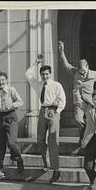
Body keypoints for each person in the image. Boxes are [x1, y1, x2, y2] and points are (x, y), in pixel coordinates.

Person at [58, 41, 96, 147]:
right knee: (78, 120)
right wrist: (61, 52)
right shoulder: (75, 72)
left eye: (84, 72)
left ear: (87, 67)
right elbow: (66, 65)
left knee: (92, 120)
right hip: (79, 101)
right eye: (80, 72)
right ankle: (83, 136)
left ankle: (90, 138)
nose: (82, 74)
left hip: (90, 101)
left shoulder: (93, 74)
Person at [25, 55, 66, 183]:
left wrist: (57, 112)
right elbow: (28, 75)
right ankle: (46, 163)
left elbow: (63, 99)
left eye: (47, 74)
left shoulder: (56, 85)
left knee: (53, 139)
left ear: (50, 74)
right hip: (43, 111)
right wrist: (35, 63)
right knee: (40, 139)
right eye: (43, 74)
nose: (45, 76)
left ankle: (56, 169)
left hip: (53, 111)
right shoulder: (38, 84)